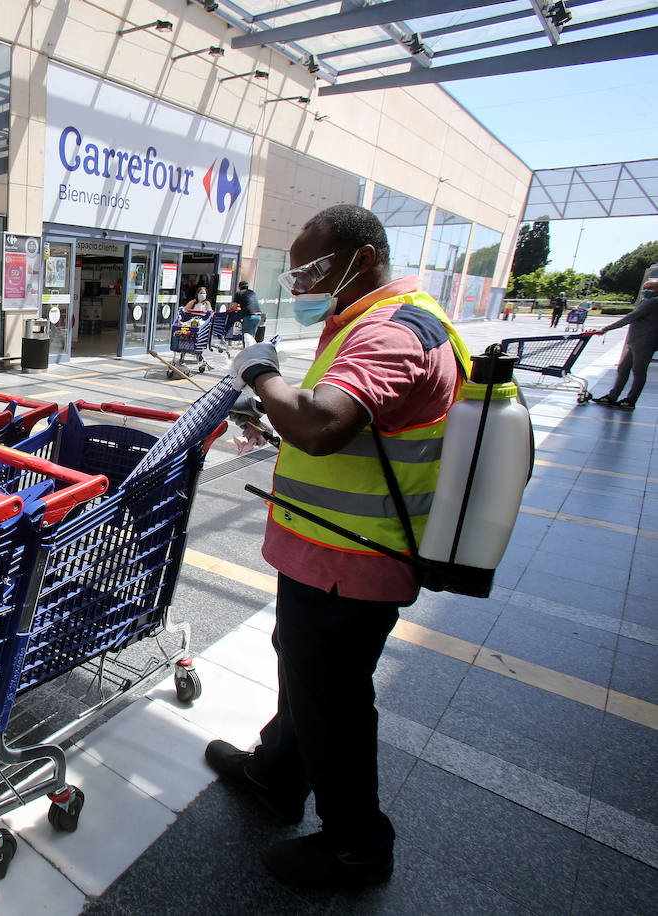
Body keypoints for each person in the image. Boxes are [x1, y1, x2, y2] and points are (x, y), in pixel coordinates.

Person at [212, 204, 469, 889]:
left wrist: (260, 375)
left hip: (352, 560)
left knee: (333, 700)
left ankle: (357, 844)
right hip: (331, 553)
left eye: (314, 269)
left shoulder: (393, 330)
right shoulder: (375, 319)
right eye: (296, 272)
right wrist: (274, 425)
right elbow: (358, 436)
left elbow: (324, 425)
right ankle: (275, 771)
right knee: (307, 677)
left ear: (364, 256)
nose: (300, 285)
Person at [592, 278, 658, 410]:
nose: (646, 291)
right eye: (644, 288)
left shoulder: (652, 302)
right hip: (635, 341)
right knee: (623, 369)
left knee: (638, 372)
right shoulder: (647, 302)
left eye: (650, 288)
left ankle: (630, 400)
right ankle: (612, 396)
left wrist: (605, 329)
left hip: (644, 342)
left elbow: (630, 318)